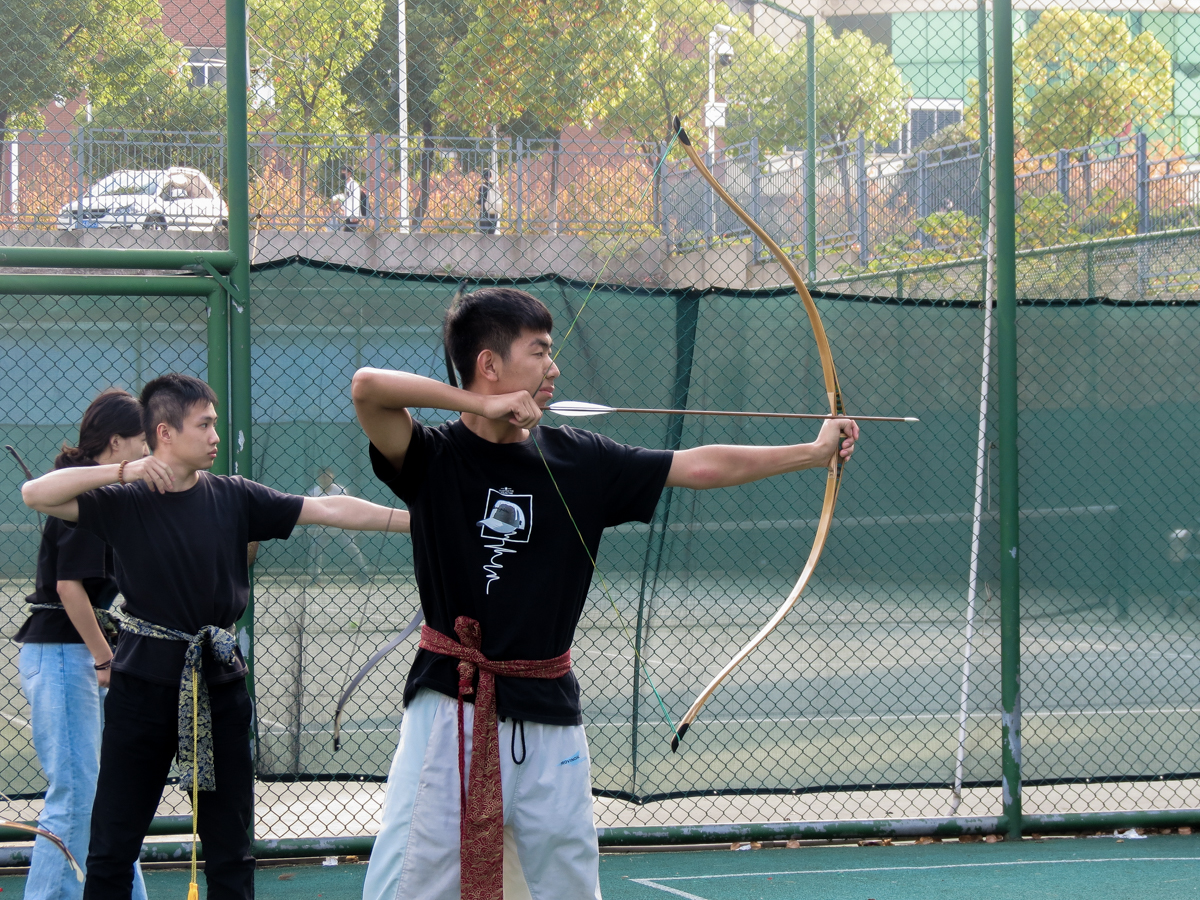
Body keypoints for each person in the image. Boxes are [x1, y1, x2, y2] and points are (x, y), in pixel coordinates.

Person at [350, 288, 858, 900]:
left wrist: (813, 451)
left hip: (550, 711)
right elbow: (368, 387)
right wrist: (478, 404)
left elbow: (699, 466)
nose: (553, 368)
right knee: (412, 882)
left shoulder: (579, 458)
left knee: (567, 883)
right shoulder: (430, 456)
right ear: (489, 364)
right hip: (452, 708)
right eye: (539, 352)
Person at [21, 373, 412, 900]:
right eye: (204, 424)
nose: (215, 435)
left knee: (231, 850)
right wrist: (125, 469)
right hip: (141, 686)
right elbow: (34, 493)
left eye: (215, 424)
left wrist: (416, 521)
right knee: (112, 845)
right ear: (164, 432)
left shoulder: (233, 496)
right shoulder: (124, 498)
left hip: (220, 684)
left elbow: (327, 509)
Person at [13, 389, 150, 900]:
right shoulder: (89, 499)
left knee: (98, 797)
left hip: (68, 653)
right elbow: (71, 586)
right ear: (116, 443)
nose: (147, 451)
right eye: (140, 440)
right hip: (65, 654)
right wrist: (104, 655)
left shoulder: (102, 496)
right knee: (74, 795)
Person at [305, 466, 370, 582]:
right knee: (315, 547)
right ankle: (315, 576)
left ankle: (363, 572)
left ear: (332, 476)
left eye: (327, 475)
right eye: (322, 476)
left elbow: (344, 508)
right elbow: (311, 511)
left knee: (351, 547)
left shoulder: (340, 490)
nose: (325, 478)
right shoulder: (313, 492)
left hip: (340, 527)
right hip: (323, 527)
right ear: (318, 478)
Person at [333, 166, 367, 232]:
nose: (342, 173)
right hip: (349, 214)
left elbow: (356, 200)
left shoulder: (353, 185)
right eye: (342, 171)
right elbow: (348, 199)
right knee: (348, 234)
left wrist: (355, 215)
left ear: (349, 173)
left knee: (348, 234)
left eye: (344, 172)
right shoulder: (348, 185)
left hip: (353, 215)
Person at [477, 168, 502, 234]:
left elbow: (480, 201)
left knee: (483, 234)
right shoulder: (495, 187)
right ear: (491, 176)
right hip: (494, 213)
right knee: (492, 235)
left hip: (485, 213)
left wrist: (476, 201)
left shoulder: (483, 187)